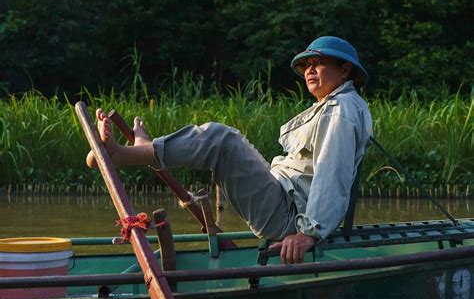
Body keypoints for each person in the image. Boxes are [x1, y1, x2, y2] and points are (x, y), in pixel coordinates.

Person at [87, 36, 372, 264]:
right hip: (282, 196)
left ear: (344, 69)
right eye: (307, 64)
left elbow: (331, 174)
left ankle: (125, 154)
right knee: (232, 140)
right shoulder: (329, 107)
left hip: (289, 216)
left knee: (222, 139)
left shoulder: (342, 110)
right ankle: (143, 150)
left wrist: (308, 234)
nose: (309, 70)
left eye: (318, 63)